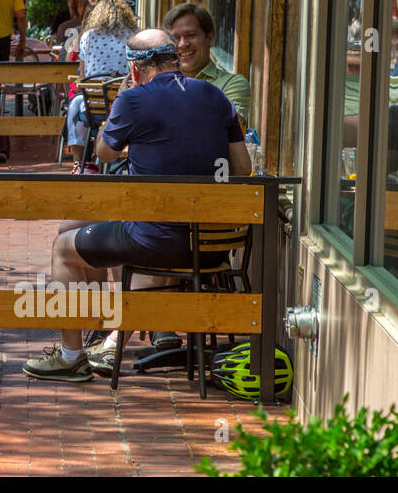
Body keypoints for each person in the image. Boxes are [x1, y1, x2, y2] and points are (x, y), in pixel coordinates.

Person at [22, 29, 250, 382]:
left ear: (135, 68)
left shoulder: (134, 100)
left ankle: (71, 356)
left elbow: (103, 152)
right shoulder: (216, 97)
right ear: (174, 58)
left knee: (62, 248)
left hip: (155, 243)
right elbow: (243, 168)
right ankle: (104, 335)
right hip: (212, 250)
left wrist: (122, 102)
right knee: (79, 227)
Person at [65, 0, 139, 164]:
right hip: (124, 104)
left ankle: (78, 162)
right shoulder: (134, 37)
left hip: (93, 107)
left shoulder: (87, 37)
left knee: (75, 105)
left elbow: (83, 75)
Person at [163, 3, 251, 124]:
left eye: (190, 35)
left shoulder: (232, 84)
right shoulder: (158, 81)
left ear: (209, 37)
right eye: (175, 38)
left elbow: (227, 130)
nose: (182, 44)